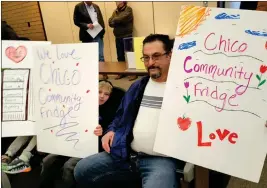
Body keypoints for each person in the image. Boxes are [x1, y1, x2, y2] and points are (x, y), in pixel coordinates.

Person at [74, 34, 185, 188]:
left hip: (161, 160)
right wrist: (111, 130)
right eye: (146, 58)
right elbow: (120, 116)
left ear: (170, 56)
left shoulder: (183, 88)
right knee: (82, 170)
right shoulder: (138, 87)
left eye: (156, 56)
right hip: (126, 153)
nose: (151, 63)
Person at [39, 80, 125, 188]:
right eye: (99, 92)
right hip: (74, 141)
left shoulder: (110, 111)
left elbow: (112, 131)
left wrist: (102, 132)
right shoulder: (80, 105)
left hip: (93, 147)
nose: (102, 96)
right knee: (48, 160)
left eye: (106, 94)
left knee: (69, 166)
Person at [73, 1, 108, 79]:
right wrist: (86, 25)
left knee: (100, 55)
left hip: (98, 33)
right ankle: (91, 75)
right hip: (87, 35)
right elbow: (76, 21)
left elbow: (101, 19)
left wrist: (102, 30)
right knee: (89, 56)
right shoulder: (79, 6)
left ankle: (104, 74)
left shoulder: (96, 6)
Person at [108, 1, 137, 81]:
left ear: (123, 2)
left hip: (127, 35)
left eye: (118, 1)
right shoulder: (115, 11)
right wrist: (115, 20)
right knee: (120, 56)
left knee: (130, 55)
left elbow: (122, 18)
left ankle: (133, 73)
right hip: (118, 36)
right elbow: (110, 22)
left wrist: (115, 20)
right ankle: (121, 72)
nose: (116, 2)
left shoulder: (128, 9)